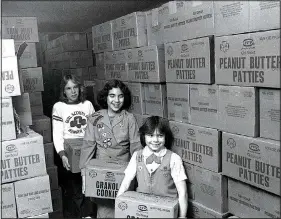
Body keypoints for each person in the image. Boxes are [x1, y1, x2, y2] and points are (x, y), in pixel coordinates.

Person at [79, 79, 143, 218]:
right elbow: (88, 147)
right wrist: (85, 175)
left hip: (123, 171)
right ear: (105, 97)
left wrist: (139, 174)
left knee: (124, 208)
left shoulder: (129, 119)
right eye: (112, 96)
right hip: (102, 172)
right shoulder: (94, 118)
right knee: (104, 210)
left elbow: (136, 147)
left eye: (120, 96)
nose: (116, 100)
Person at [117, 116, 188, 218]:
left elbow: (183, 192)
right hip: (141, 211)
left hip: (166, 212)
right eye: (150, 135)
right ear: (144, 136)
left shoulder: (174, 158)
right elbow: (125, 183)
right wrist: (118, 204)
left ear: (165, 137)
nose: (155, 140)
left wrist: (182, 216)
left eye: (160, 135)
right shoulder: (137, 156)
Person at [52, 74, 95, 218]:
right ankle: (85, 215)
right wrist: (62, 155)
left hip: (87, 147)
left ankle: (89, 213)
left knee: (90, 182)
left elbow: (94, 128)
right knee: (76, 185)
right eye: (68, 88)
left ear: (80, 88)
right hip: (70, 151)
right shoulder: (59, 107)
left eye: (75, 87)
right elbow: (57, 134)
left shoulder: (87, 105)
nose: (73, 92)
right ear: (64, 91)